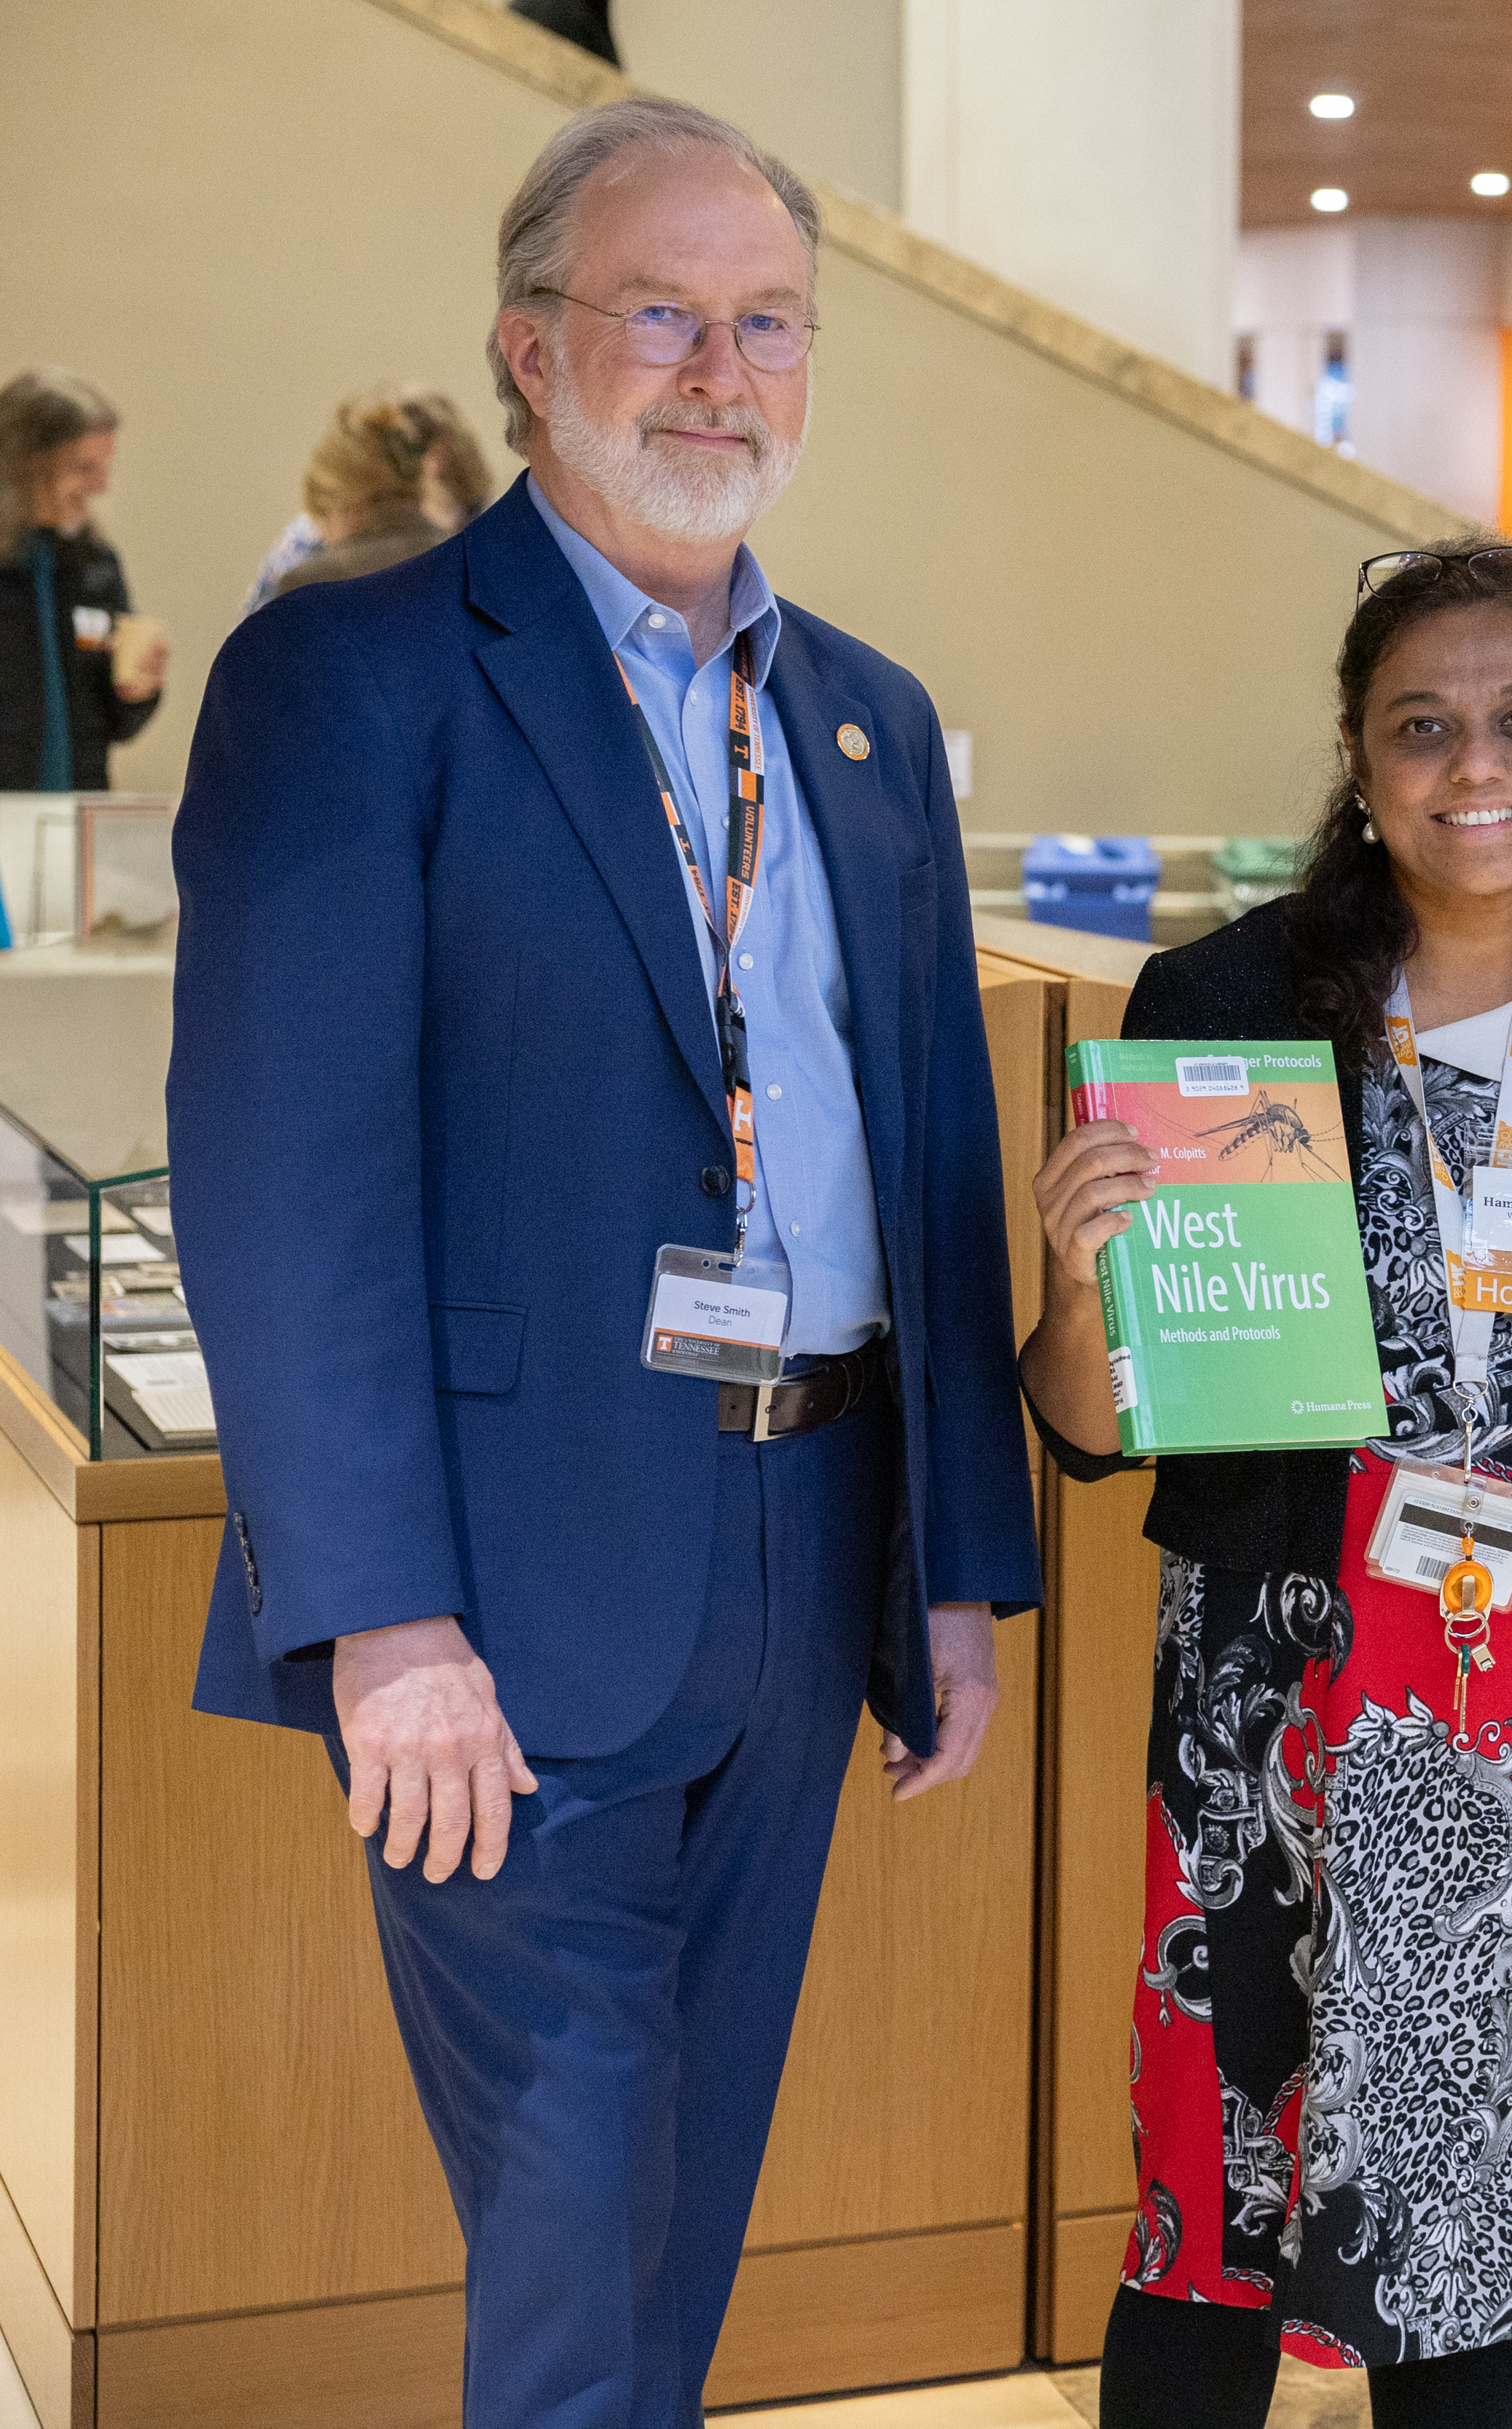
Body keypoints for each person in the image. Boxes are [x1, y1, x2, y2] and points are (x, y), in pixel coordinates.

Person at [166, 96, 1040, 2425]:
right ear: (529, 349)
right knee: (574, 2226)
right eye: (662, 314)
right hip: (502, 1597)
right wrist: (377, 1617)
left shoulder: (866, 721)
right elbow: (281, 1180)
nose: (719, 373)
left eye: (768, 323)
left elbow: (930, 1161)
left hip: (806, 1550)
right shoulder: (351, 681)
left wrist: (952, 1565)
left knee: (679, 2214)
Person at [1021, 539, 1512, 2429]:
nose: (1475, 764)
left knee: (1479, 2222)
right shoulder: (1232, 999)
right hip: (1277, 1716)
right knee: (1213, 2215)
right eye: (1421, 726)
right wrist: (1078, 1288)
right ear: (1359, 763)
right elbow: (1099, 1426)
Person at [1, 367, 167, 793]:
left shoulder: (97, 563)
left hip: (77, 811)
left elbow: (116, 724)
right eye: (83, 468)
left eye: (104, 468)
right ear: (25, 464)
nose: (100, 488)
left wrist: (137, 692)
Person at [274, 384, 499, 595]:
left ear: (341, 501)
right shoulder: (481, 568)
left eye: (320, 519)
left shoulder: (308, 586)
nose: (322, 536)